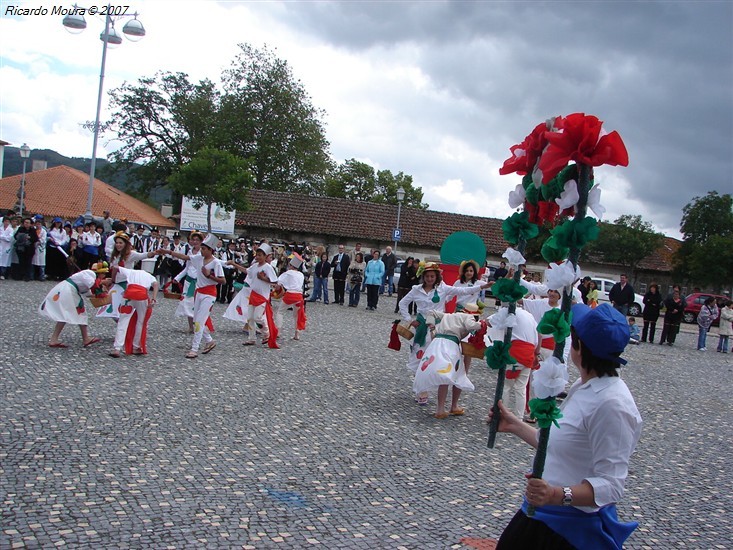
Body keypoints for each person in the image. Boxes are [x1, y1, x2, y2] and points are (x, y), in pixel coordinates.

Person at [491, 303, 642, 550]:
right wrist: (514, 425)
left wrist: (556, 494)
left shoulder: (612, 404)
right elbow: (562, 444)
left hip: (569, 531)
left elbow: (612, 485)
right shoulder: (584, 387)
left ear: (579, 347)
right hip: (540, 515)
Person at [398, 262, 492, 405]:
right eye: (427, 276)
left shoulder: (443, 288)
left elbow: (462, 291)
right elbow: (402, 303)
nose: (430, 279)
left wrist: (482, 287)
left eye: (432, 276)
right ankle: (421, 389)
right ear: (423, 277)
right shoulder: (416, 290)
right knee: (419, 357)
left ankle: (432, 386)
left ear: (437, 277)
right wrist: (409, 319)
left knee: (435, 358)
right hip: (422, 327)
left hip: (438, 328)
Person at [413, 304, 484, 419]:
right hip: (450, 345)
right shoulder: (467, 317)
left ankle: (440, 408)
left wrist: (432, 327)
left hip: (437, 343)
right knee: (454, 373)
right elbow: (471, 325)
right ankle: (451, 406)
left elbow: (431, 312)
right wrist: (484, 324)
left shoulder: (448, 315)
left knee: (444, 374)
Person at [166, 234, 225, 358]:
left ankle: (194, 348)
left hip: (209, 294)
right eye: (201, 248)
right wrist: (168, 251)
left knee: (199, 321)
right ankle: (209, 341)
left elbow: (223, 280)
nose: (201, 250)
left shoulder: (216, 263)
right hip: (198, 292)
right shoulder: (198, 258)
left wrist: (209, 276)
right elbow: (185, 257)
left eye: (204, 248)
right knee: (196, 320)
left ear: (210, 250)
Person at [39, 261, 111, 348]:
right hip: (68, 290)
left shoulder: (90, 277)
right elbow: (93, 285)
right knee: (80, 312)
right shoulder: (90, 273)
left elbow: (88, 293)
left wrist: (103, 294)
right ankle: (85, 338)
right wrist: (103, 283)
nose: (104, 276)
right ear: (101, 273)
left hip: (69, 290)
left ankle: (54, 339)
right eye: (104, 274)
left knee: (65, 314)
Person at [488, 303, 540, 420]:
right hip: (529, 354)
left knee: (506, 386)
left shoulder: (508, 312)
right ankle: (519, 417)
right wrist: (536, 352)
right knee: (520, 388)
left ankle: (502, 415)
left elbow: (490, 322)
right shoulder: (529, 315)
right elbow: (537, 334)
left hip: (515, 353)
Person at [97, 231, 159, 321]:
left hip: (127, 283)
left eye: (121, 243)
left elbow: (144, 255)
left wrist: (155, 252)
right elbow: (113, 269)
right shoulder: (114, 255)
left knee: (125, 308)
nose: (118, 245)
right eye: (117, 243)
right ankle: (124, 327)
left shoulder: (131, 254)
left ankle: (127, 328)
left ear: (126, 244)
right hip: (116, 284)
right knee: (113, 309)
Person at [108, 265, 160, 358]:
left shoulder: (130, 271)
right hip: (142, 296)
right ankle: (136, 346)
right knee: (140, 322)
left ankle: (117, 348)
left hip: (129, 295)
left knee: (123, 321)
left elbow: (115, 267)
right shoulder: (150, 276)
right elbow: (156, 284)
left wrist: (113, 280)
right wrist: (154, 299)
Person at [242, 242, 279, 348]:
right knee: (249, 317)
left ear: (265, 256)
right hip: (254, 294)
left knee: (258, 317)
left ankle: (266, 333)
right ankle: (251, 338)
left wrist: (263, 278)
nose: (258, 257)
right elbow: (246, 271)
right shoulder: (254, 266)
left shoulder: (268, 267)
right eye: (257, 255)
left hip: (262, 296)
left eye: (260, 255)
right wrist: (234, 264)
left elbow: (274, 281)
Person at [172, 232, 204, 333]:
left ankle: (198, 326)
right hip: (188, 281)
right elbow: (187, 267)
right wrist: (177, 277)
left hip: (198, 282)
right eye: (193, 240)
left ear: (201, 241)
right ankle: (191, 327)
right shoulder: (190, 251)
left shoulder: (202, 253)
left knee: (197, 305)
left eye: (197, 240)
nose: (195, 242)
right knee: (187, 303)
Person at [274, 254, 307, 340]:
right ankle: (297, 334)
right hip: (299, 296)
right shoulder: (301, 275)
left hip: (290, 294)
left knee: (280, 312)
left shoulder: (288, 273)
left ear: (291, 265)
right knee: (296, 315)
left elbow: (278, 283)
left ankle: (278, 331)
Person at [13, 217, 38, 281]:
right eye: (25, 222)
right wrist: (23, 236)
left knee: (28, 263)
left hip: (29, 249)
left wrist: (29, 237)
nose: (26, 224)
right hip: (21, 248)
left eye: (28, 223)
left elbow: (35, 239)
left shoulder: (33, 230)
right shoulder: (20, 229)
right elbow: (16, 236)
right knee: (21, 262)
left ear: (30, 224)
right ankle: (20, 275)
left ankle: (27, 276)